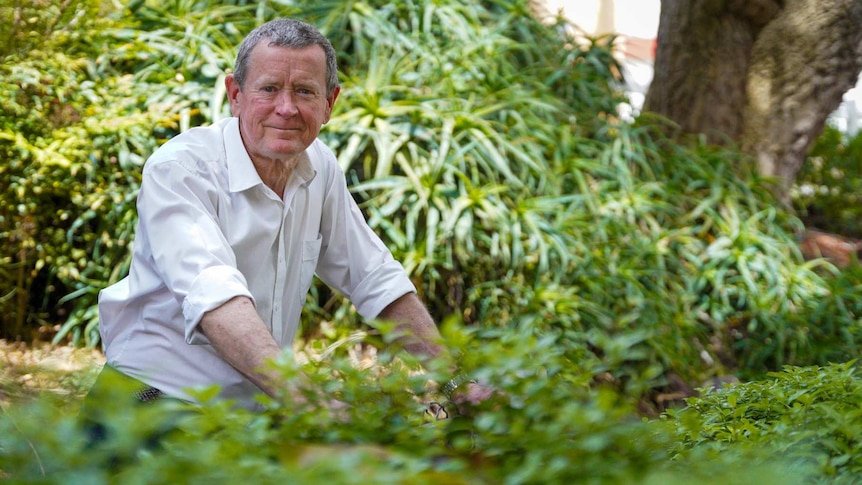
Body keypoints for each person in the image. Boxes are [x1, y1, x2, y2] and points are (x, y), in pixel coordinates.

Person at [90, 18, 489, 413]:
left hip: (257, 407)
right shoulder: (180, 169)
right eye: (269, 89)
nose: (286, 108)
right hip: (153, 400)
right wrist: (309, 401)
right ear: (235, 94)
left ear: (330, 103)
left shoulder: (319, 166)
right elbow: (214, 297)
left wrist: (455, 381)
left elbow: (373, 276)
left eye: (304, 91)